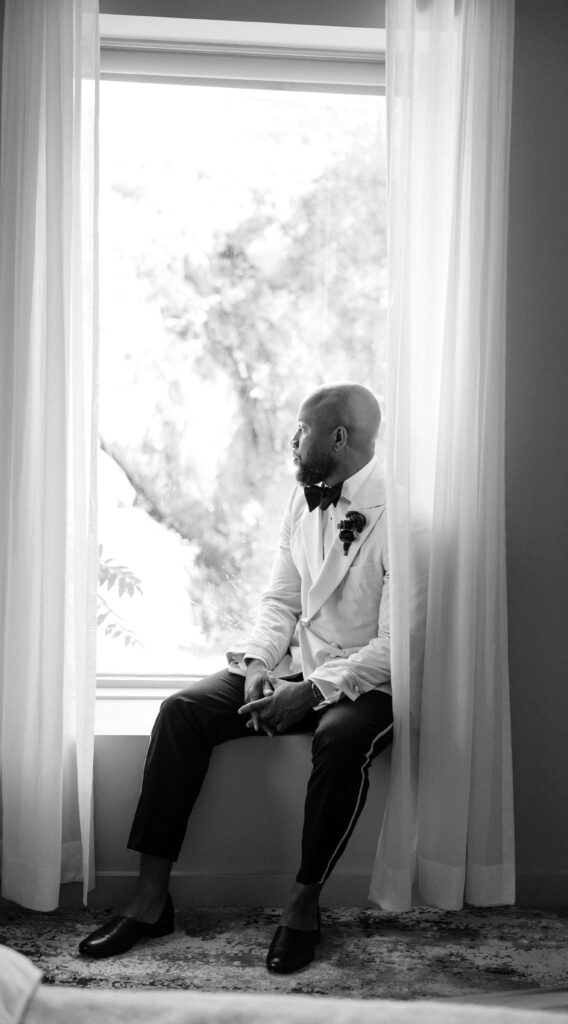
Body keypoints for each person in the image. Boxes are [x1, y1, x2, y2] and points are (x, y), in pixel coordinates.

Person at [79, 382, 393, 973]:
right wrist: (256, 665)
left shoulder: (403, 513)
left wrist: (310, 693)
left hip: (366, 683)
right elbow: (280, 601)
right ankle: (150, 901)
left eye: (302, 430)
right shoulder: (302, 499)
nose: (292, 441)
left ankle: (303, 907)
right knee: (181, 711)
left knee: (341, 739)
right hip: (296, 665)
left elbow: (396, 645)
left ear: (339, 437)